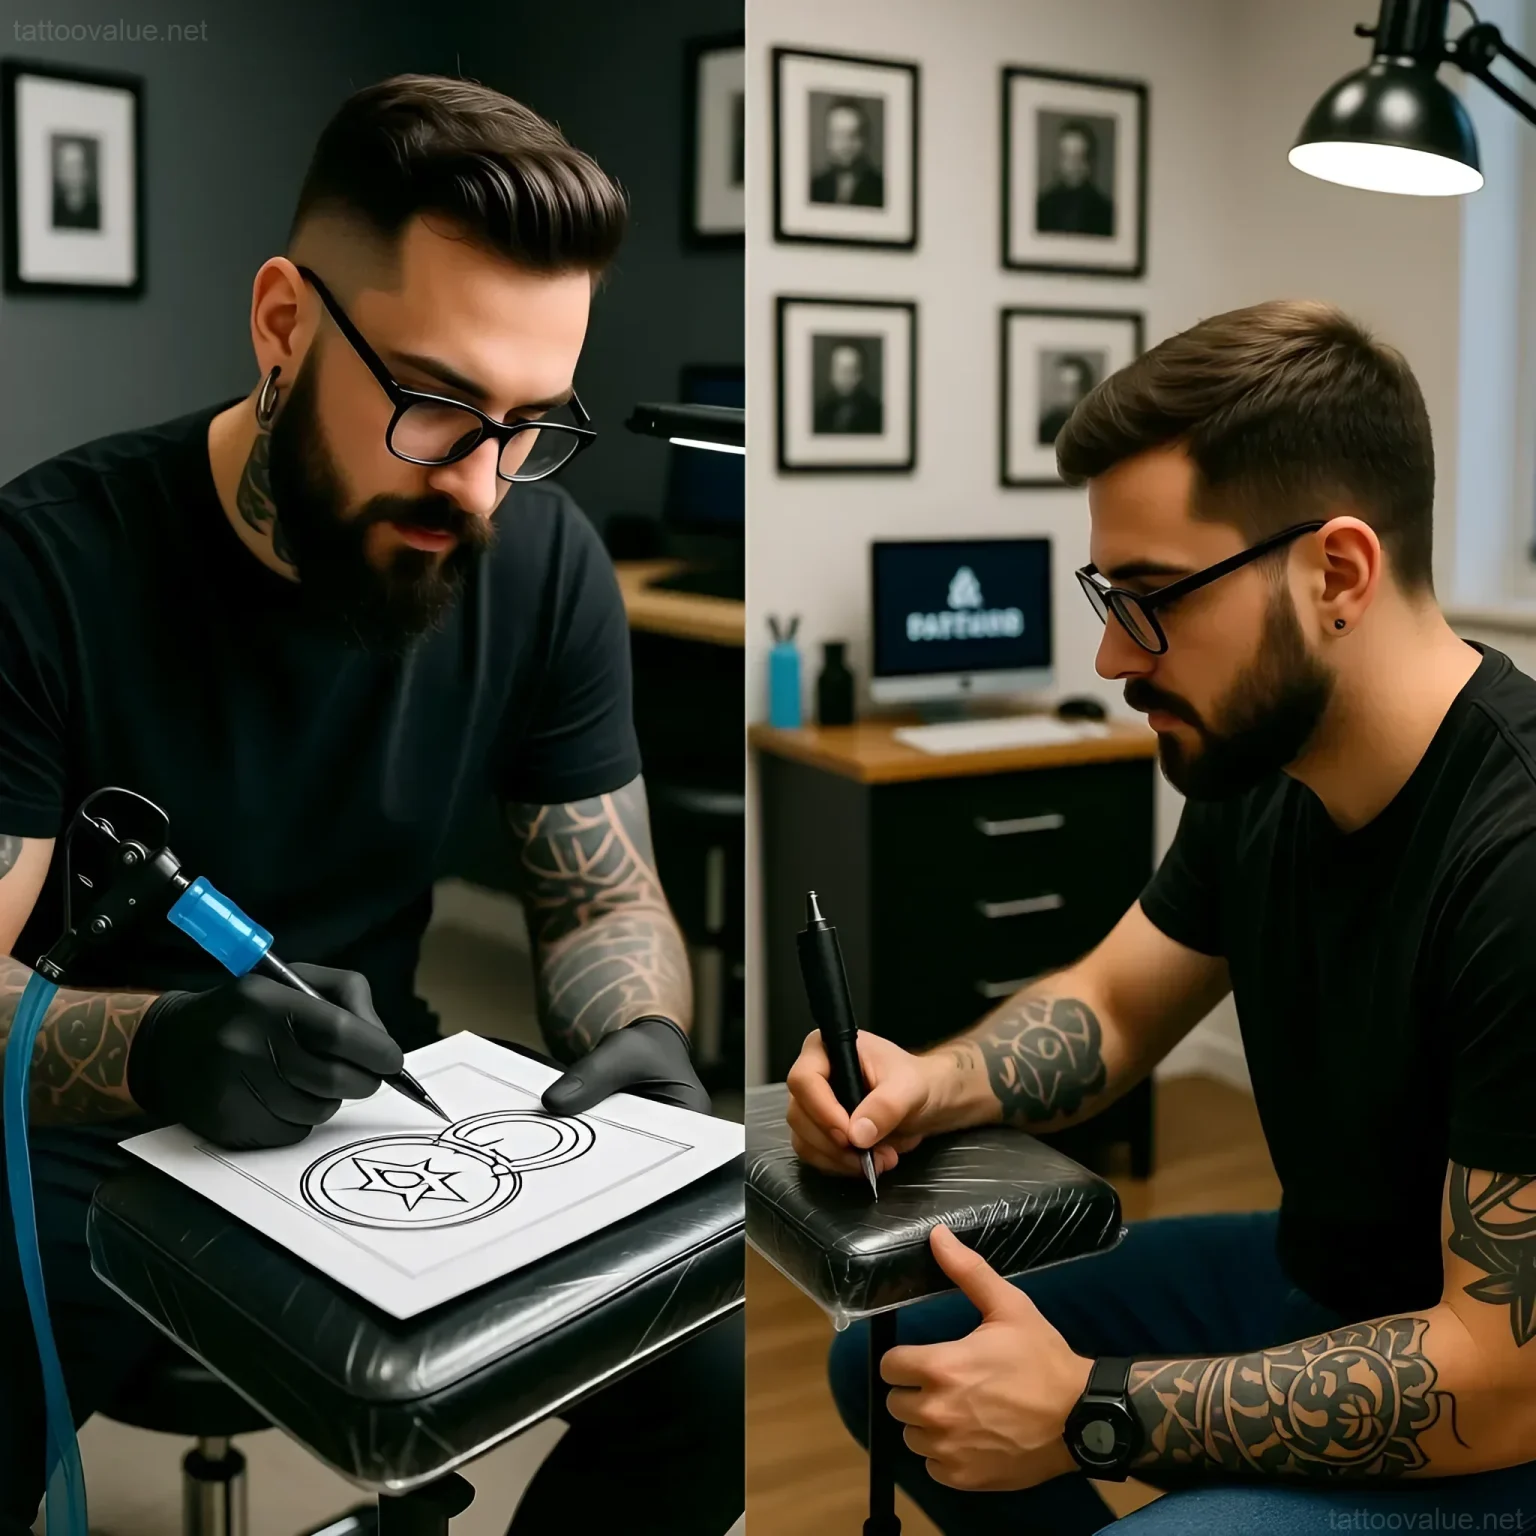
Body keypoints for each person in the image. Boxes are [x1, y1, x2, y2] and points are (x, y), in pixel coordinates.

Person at [0, 75, 740, 1536]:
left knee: (703, 1374)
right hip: (78, 1127)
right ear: (284, 324)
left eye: (530, 427)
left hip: (364, 1096)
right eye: (436, 405)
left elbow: (600, 893)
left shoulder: (545, 566)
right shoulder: (45, 570)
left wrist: (635, 1027)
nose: (479, 485)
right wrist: (163, 1048)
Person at [786, 300, 1536, 1532]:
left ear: (1335, 573)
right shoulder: (1272, 772)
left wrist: (1087, 1403)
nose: (1112, 662)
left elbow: (1503, 1378)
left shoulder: (1513, 859)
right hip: (1321, 1281)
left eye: (1151, 598)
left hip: (1496, 1421)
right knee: (892, 1362)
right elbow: (1116, 1005)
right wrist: (927, 1082)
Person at [1036, 118, 1114, 237]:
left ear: (1090, 161)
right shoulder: (1042, 208)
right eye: (1067, 156)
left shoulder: (1106, 212)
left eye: (1079, 156)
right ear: (1058, 160)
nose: (1073, 165)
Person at [809, 97, 884, 207]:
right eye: (838, 136)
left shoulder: (881, 189)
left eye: (853, 135)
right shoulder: (814, 187)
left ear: (866, 139)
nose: (845, 144)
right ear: (828, 140)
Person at [814, 341, 882, 435]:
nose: (845, 377)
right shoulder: (820, 411)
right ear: (831, 374)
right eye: (840, 370)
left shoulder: (875, 412)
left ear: (861, 374)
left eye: (851, 370)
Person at [1038, 352, 1097, 445]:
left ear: (1084, 387)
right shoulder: (1048, 424)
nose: (1063, 391)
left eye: (1071, 386)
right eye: (1060, 385)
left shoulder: (1096, 424)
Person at [51, 137, 100, 230]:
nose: (71, 173)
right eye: (66, 167)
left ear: (86, 171)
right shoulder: (54, 211)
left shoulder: (96, 211)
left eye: (75, 166)